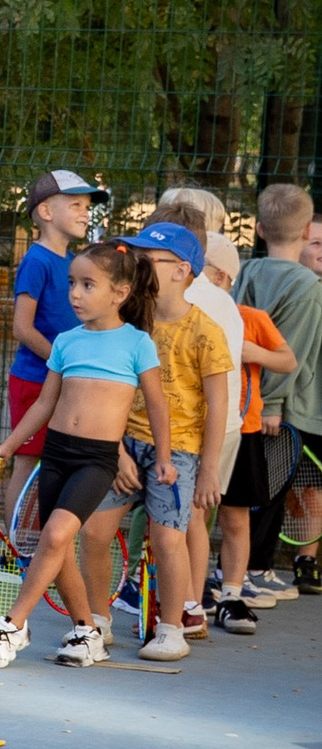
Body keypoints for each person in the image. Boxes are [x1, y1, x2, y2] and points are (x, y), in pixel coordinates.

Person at [0, 242, 171, 668]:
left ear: (120, 293)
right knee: (57, 547)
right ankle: (86, 632)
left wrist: (164, 457)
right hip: (57, 454)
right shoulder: (66, 341)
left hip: (95, 460)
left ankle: (13, 625)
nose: (75, 294)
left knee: (57, 535)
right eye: (72, 284)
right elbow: (44, 404)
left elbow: (157, 405)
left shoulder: (137, 343)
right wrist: (7, 447)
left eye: (87, 285)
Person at [119, 217, 230, 660]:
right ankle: (93, 623)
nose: (137, 266)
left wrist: (209, 468)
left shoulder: (206, 331)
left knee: (170, 538)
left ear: (181, 270)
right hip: (126, 443)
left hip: (180, 449)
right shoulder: (129, 322)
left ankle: (173, 627)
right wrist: (116, 448)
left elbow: (219, 405)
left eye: (146, 260)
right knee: (94, 528)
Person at [4, 170, 100, 544]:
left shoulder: (74, 263)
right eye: (75, 205)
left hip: (66, 382)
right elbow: (22, 328)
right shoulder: (37, 261)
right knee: (27, 462)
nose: (85, 213)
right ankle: (16, 551)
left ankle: (44, 545)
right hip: (34, 380)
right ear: (46, 211)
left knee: (58, 464)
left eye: (87, 206)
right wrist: (62, 361)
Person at [198, 228, 287, 634]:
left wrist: (254, 351)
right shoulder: (186, 314)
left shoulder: (249, 317)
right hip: (198, 432)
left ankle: (232, 595)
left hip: (243, 430)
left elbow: (288, 360)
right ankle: (194, 591)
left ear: (220, 276)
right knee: (195, 515)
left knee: (235, 518)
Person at [241, 183, 322, 599]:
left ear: (258, 229)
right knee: (267, 492)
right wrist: (271, 403)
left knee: (258, 491)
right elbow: (291, 350)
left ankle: (249, 570)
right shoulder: (308, 286)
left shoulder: (247, 270)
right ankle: (253, 570)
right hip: (273, 409)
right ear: (307, 232)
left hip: (247, 398)